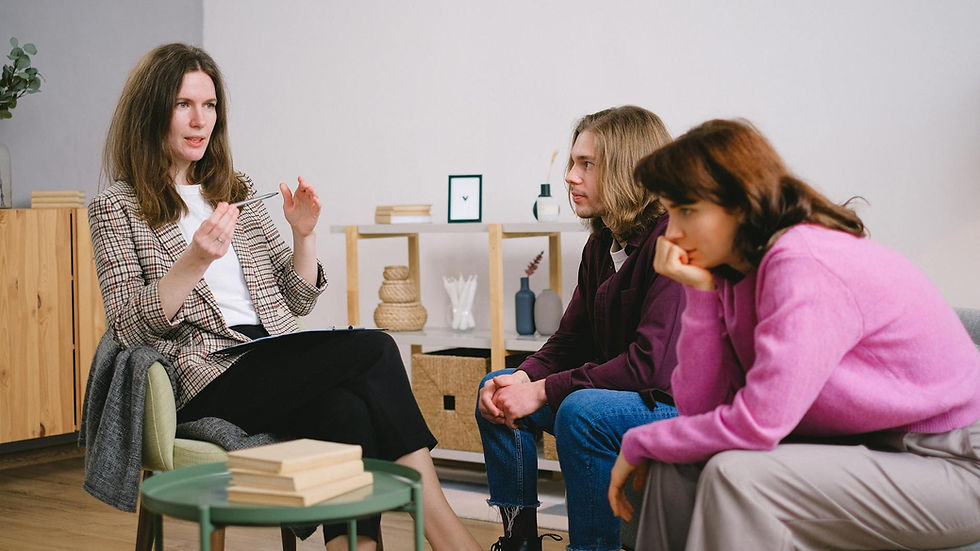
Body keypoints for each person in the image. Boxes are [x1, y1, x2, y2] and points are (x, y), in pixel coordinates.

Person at [90, 43, 480, 551]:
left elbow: (295, 299)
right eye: (184, 104)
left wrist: (304, 235)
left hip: (270, 358)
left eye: (209, 107)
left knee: (348, 412)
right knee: (377, 348)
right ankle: (452, 539)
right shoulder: (117, 207)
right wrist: (195, 260)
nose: (199, 120)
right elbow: (128, 326)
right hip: (206, 373)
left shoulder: (235, 190)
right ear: (152, 109)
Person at [608, 118, 980, 550]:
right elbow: (701, 411)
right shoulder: (737, 272)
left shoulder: (801, 263)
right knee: (677, 465)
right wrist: (701, 291)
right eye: (670, 212)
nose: (671, 233)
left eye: (687, 211)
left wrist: (640, 439)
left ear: (742, 203)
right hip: (879, 449)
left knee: (739, 478)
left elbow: (757, 425)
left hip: (955, 462)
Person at [476, 105, 685, 551]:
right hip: (625, 396)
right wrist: (524, 377)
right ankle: (520, 541)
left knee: (582, 410)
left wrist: (546, 391)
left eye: (586, 164)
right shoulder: (600, 246)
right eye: (573, 162)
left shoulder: (674, 242)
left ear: (628, 169)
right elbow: (571, 340)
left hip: (679, 404)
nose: (570, 176)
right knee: (496, 388)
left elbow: (651, 368)